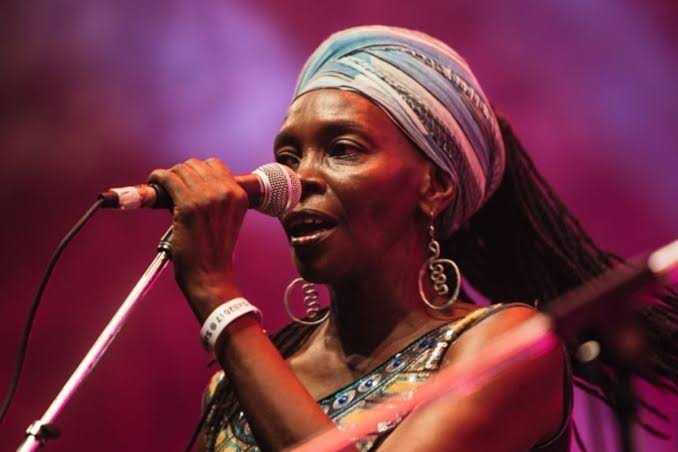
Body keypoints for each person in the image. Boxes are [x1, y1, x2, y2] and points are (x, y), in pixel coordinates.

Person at [148, 26, 678, 452]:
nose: (298, 179)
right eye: (288, 156)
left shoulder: (506, 348)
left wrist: (219, 298)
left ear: (434, 186)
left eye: (343, 149)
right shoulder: (236, 383)